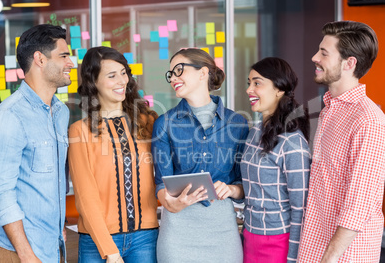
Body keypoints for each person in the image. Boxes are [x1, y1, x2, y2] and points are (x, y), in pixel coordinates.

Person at [298, 21, 385, 262]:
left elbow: (361, 201)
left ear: (350, 63)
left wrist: (329, 257)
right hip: (315, 243)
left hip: (344, 255)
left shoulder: (368, 120)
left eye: (324, 53)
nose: (315, 57)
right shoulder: (329, 110)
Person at [0, 24, 73, 262]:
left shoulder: (60, 112)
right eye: (64, 56)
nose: (71, 63)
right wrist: (27, 255)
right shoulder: (9, 117)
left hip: (52, 247)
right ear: (40, 59)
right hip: (19, 253)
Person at [152, 48, 249, 263]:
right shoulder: (164, 124)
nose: (173, 78)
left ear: (203, 73)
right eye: (170, 74)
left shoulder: (237, 124)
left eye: (179, 70)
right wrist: (170, 204)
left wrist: (231, 189)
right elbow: (161, 184)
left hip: (222, 232)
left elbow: (244, 184)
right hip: (177, 232)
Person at [68, 46, 159, 263]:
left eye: (123, 72)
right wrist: (109, 250)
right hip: (96, 242)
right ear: (93, 82)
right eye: (111, 75)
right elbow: (85, 196)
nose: (122, 81)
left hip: (146, 238)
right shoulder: (79, 131)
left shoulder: (148, 123)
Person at [240, 57, 311, 263]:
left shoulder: (292, 142)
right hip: (249, 237)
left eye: (257, 83)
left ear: (279, 89)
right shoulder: (254, 133)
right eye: (249, 83)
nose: (249, 90)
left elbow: (300, 208)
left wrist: (293, 258)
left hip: (278, 242)